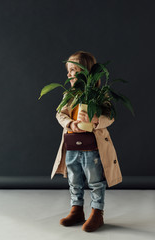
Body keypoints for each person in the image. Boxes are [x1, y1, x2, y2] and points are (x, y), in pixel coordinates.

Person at [51, 51, 122, 232]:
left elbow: (110, 117)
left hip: (93, 148)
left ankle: (97, 213)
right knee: (74, 180)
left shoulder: (99, 95)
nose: (69, 74)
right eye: (68, 70)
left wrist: (95, 119)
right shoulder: (70, 95)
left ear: (88, 72)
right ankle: (77, 210)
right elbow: (60, 113)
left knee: (95, 181)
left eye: (74, 70)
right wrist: (71, 123)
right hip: (72, 146)